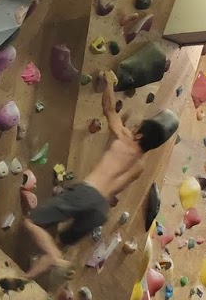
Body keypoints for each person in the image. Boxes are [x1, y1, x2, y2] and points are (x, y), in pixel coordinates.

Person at [24, 73, 175, 280]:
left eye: (137, 126)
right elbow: (116, 188)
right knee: (58, 244)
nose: (132, 127)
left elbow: (109, 109)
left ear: (139, 135)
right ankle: (26, 278)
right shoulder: (140, 166)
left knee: (32, 223)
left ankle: (57, 261)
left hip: (87, 192)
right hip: (100, 210)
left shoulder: (126, 138)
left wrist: (110, 83)